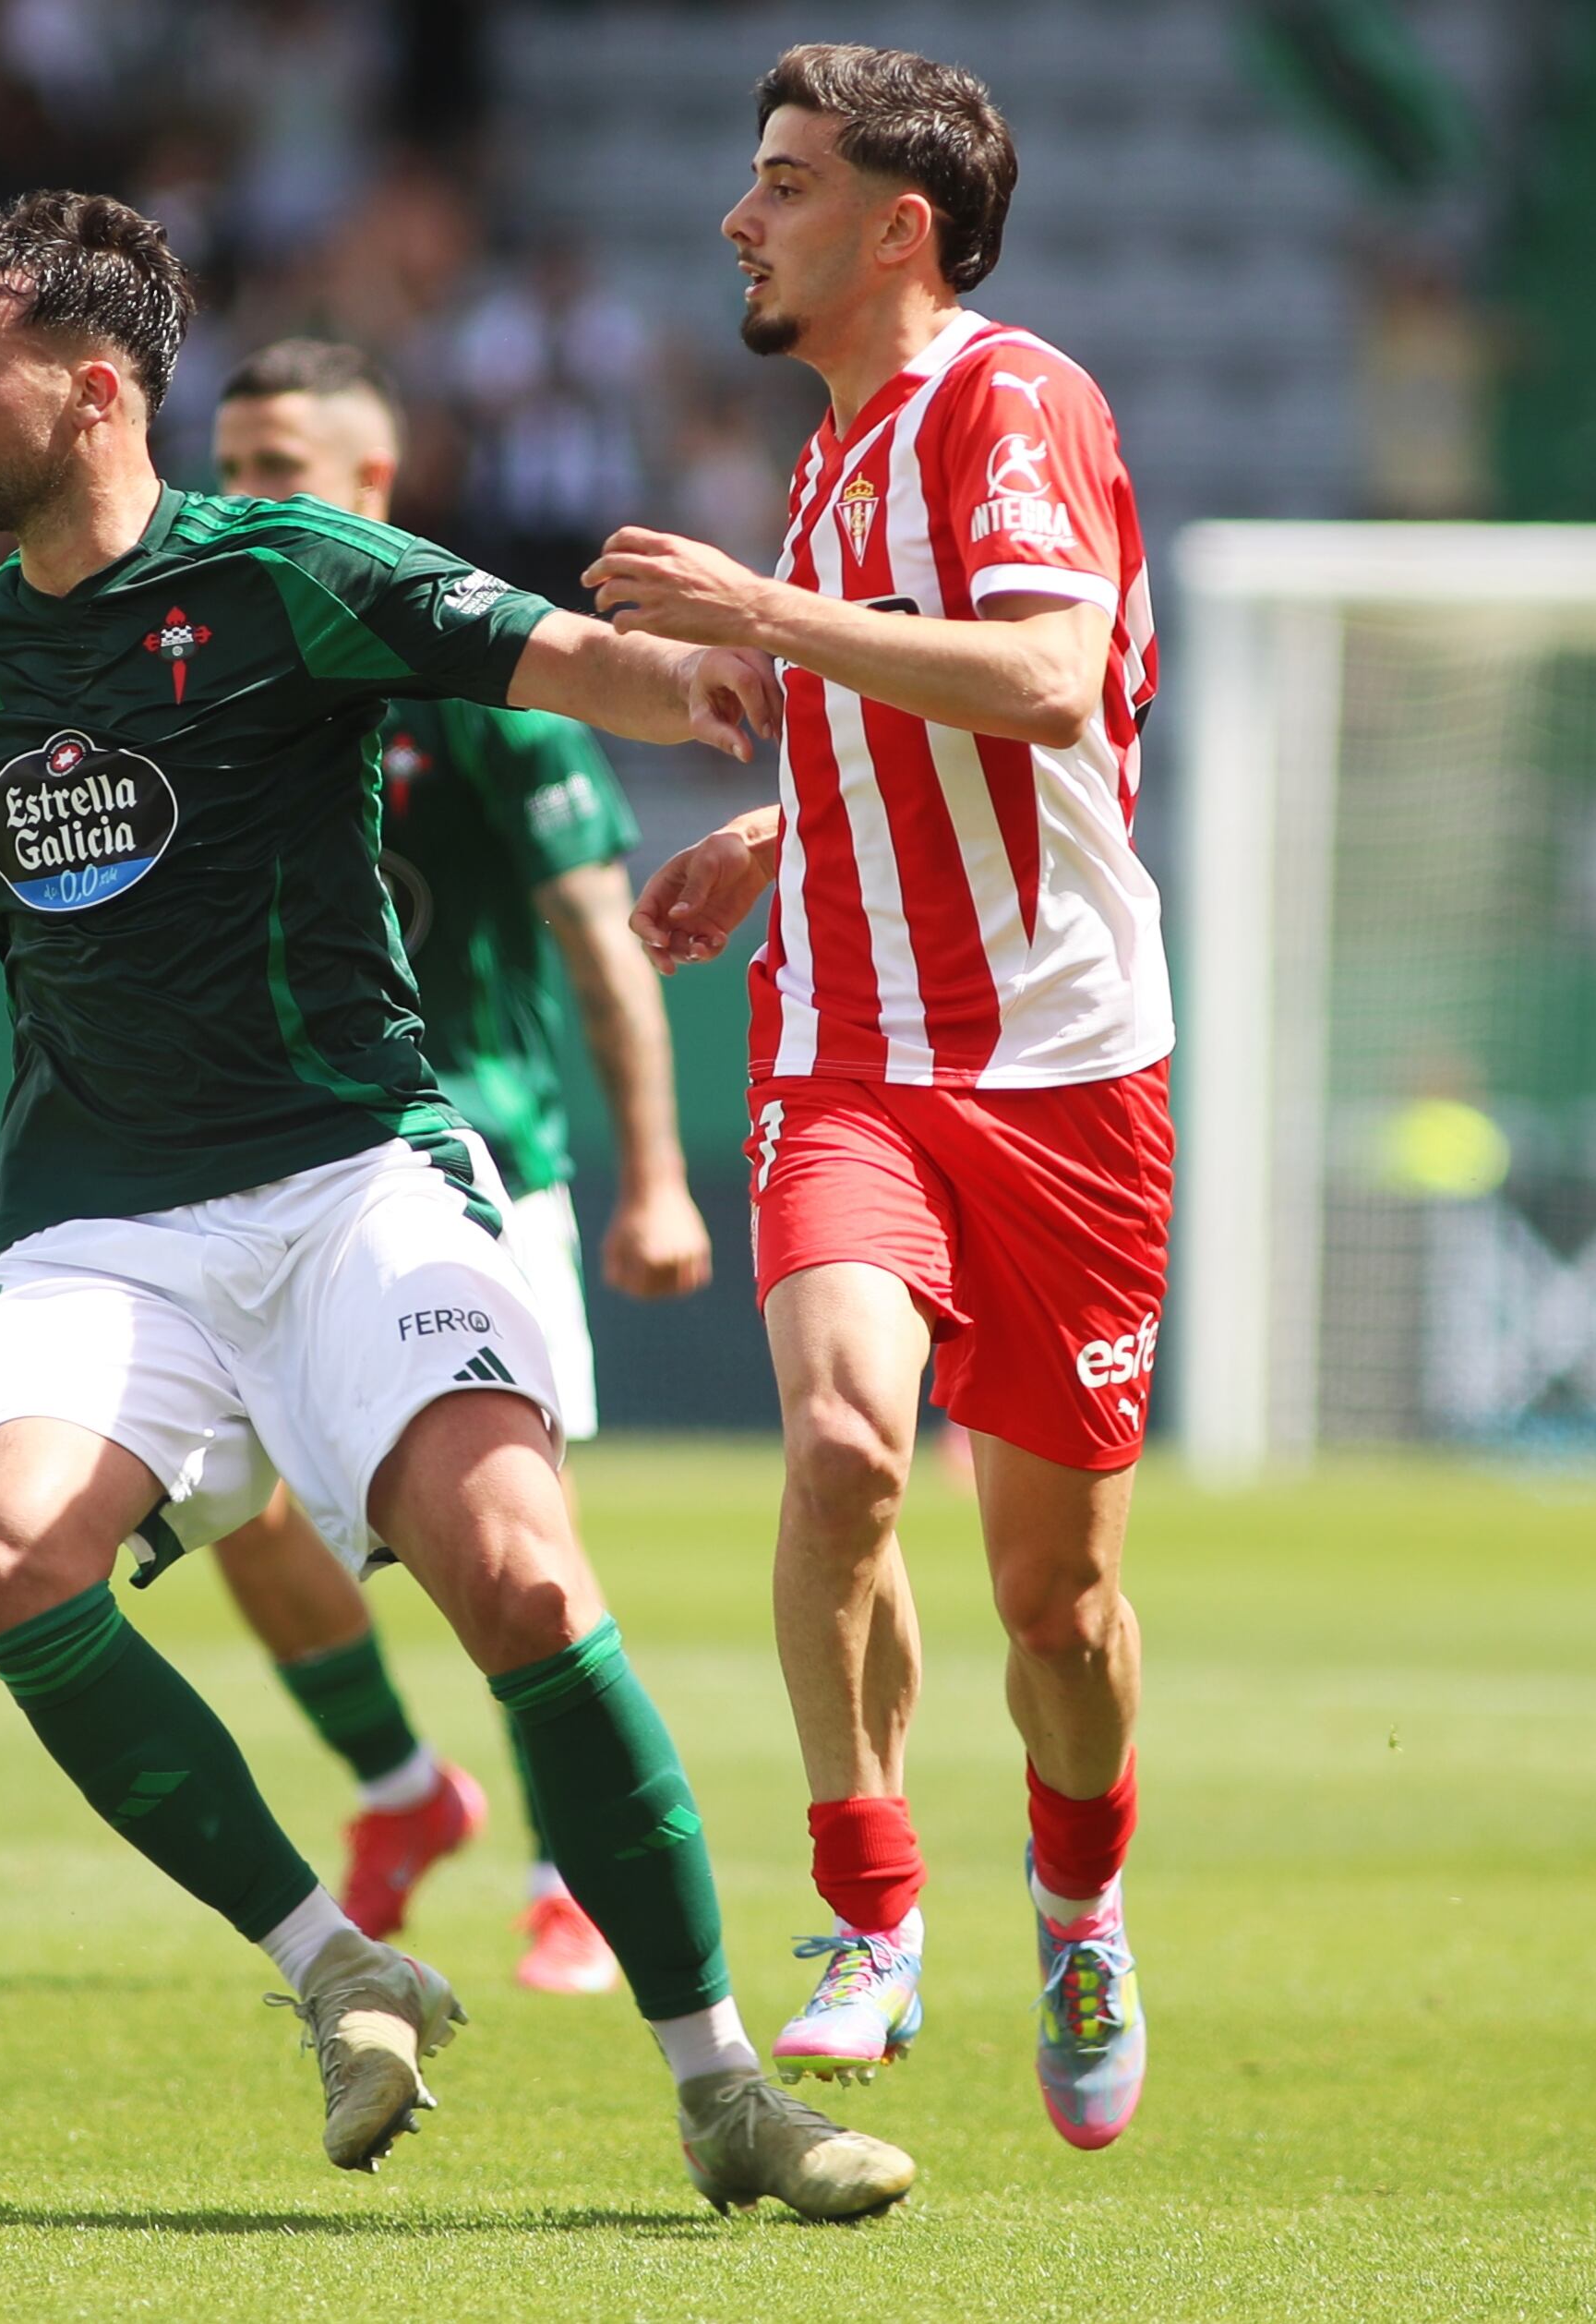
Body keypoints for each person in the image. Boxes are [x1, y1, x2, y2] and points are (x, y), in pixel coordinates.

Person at [0, 187, 912, 2220]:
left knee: (526, 1582)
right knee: (9, 1549)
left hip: (356, 1169)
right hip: (107, 1222)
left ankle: (725, 2085)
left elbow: (563, 657)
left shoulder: (286, 567)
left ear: (91, 392)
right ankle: (335, 1958)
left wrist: (734, 683)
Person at [597, 44, 1169, 2150]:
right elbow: (902, 706)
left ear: (895, 225)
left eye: (781, 183)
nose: (740, 219)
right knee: (844, 1444)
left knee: (1055, 1599)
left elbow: (1036, 674)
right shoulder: (836, 461)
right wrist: (778, 833)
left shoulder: (1008, 401)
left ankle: (1078, 1891)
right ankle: (869, 1909)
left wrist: (759, 619)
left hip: (1063, 1075)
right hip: (845, 1049)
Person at [206, 337, 714, 1999]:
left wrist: (653, 1175)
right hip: (279, 1158)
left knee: (508, 1533)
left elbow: (599, 935)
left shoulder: (469, 669)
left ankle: (576, 1868)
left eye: (281, 471)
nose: (241, 498)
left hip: (478, 1154)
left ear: (371, 488)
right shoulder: (202, 655)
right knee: (232, 1503)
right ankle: (405, 1792)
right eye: (230, 464)